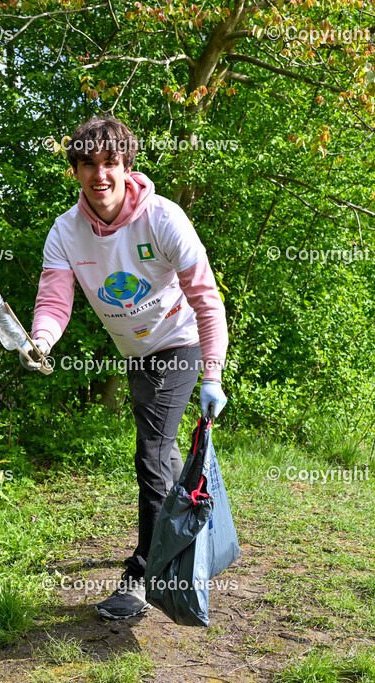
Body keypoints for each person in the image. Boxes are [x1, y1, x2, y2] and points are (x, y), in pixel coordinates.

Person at [22, 115, 229, 619]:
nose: (100, 175)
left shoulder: (163, 218)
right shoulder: (65, 232)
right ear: (74, 170)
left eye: (110, 162)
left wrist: (212, 373)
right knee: (163, 455)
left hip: (178, 343)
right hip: (135, 353)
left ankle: (141, 577)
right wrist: (42, 341)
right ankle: (197, 532)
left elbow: (206, 300)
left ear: (126, 165)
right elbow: (54, 300)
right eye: (88, 163)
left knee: (151, 452)